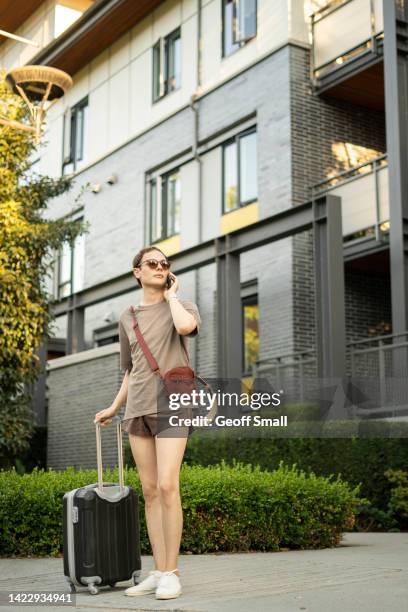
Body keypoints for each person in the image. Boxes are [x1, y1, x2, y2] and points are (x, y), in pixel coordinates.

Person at [94, 246, 201, 600]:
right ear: (137, 272)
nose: (159, 267)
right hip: (137, 407)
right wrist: (113, 407)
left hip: (173, 403)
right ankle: (157, 570)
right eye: (151, 264)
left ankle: (172, 572)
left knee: (169, 485)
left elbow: (186, 327)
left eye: (164, 264)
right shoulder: (128, 316)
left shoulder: (182, 307)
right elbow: (130, 368)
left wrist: (171, 296)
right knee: (151, 491)